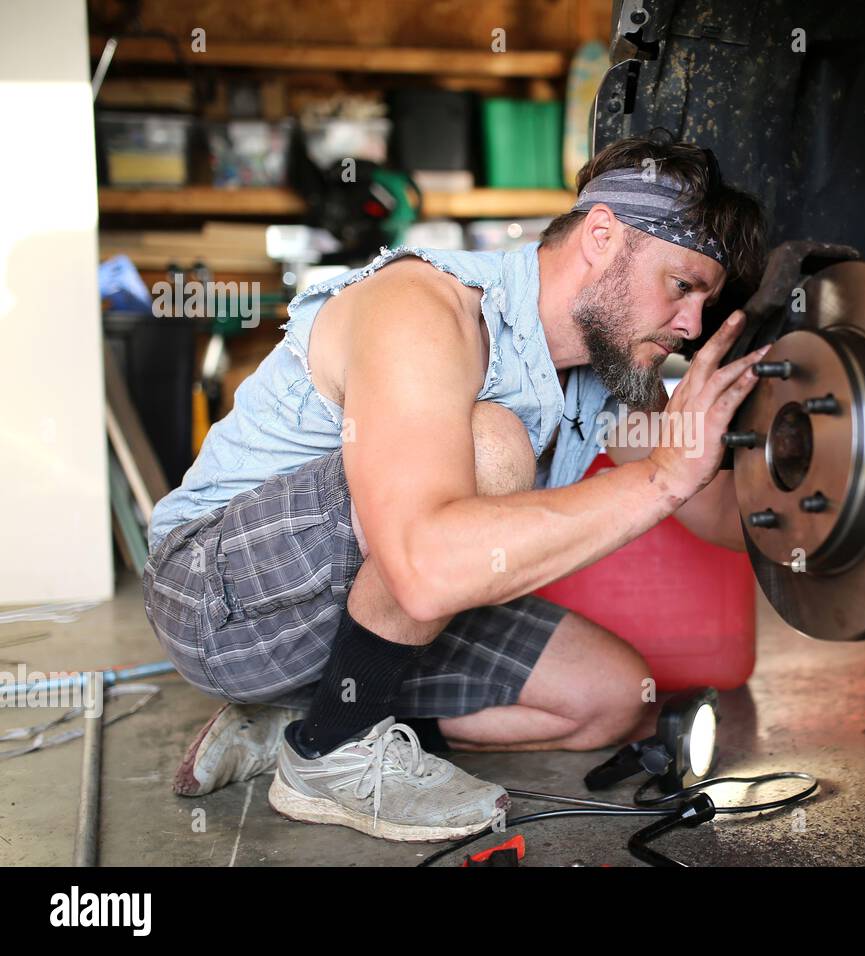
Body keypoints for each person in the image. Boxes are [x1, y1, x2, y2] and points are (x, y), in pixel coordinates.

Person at [140, 135, 769, 842]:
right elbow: (424, 566)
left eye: (703, 304)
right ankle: (331, 753)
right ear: (602, 236)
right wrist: (658, 479)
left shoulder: (606, 371)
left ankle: (301, 721)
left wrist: (793, 463)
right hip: (214, 598)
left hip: (365, 601)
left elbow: (716, 508)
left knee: (611, 696)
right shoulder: (427, 305)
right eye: (681, 286)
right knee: (492, 445)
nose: (689, 325)